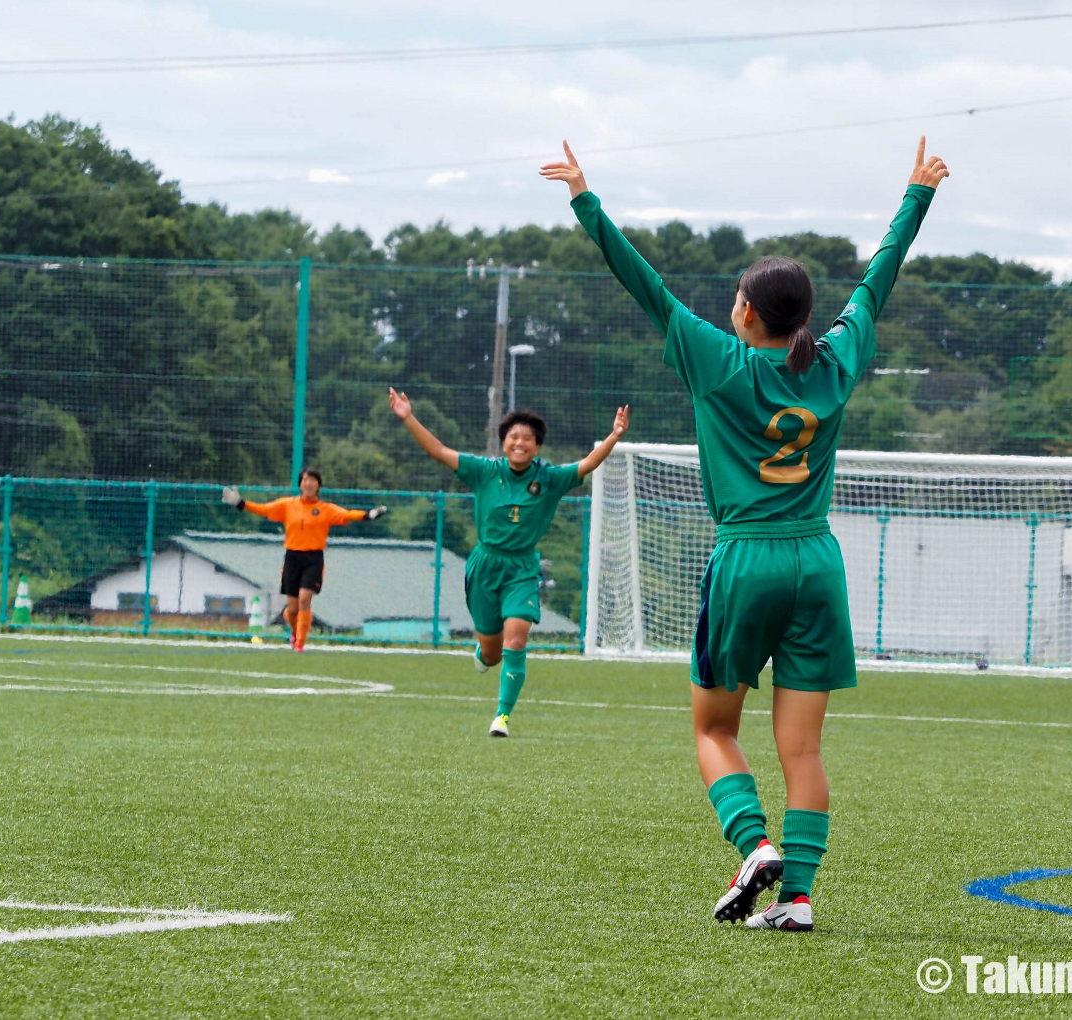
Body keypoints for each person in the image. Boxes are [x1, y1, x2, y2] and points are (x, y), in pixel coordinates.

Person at [542, 136, 948, 930]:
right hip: (816, 561)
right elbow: (879, 278)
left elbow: (645, 284)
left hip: (746, 560)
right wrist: (916, 195)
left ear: (746, 313)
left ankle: (754, 842)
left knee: (713, 727)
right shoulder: (835, 360)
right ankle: (796, 899)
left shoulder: (719, 362)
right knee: (804, 750)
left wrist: (586, 201)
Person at [390, 391, 630, 737]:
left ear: (537, 446)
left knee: (515, 641)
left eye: (527, 438)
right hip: (485, 567)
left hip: (522, 569)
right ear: (504, 442)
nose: (520, 442)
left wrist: (615, 435)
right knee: (492, 655)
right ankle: (485, 653)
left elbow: (588, 464)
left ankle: (502, 716)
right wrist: (407, 416)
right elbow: (439, 451)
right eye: (514, 436)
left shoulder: (549, 478)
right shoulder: (485, 471)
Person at [222, 467, 386, 651]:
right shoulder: (287, 505)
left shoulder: (325, 509)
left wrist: (368, 515)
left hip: (313, 558)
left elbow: (346, 514)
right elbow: (264, 509)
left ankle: (300, 643)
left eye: (313, 480)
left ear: (319, 485)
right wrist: (240, 503)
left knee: (304, 598)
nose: (308, 483)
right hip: (292, 558)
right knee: (292, 610)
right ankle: (295, 632)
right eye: (305, 480)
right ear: (300, 484)